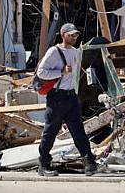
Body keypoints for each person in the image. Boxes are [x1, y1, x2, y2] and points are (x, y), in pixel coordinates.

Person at [36, 23, 97, 177]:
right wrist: (60, 72)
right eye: (71, 35)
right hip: (57, 96)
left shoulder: (77, 52)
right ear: (63, 35)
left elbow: (76, 76)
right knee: (50, 131)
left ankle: (89, 162)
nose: (75, 38)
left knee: (78, 131)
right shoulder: (54, 51)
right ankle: (43, 164)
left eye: (76, 35)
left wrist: (76, 92)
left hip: (71, 96)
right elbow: (41, 72)